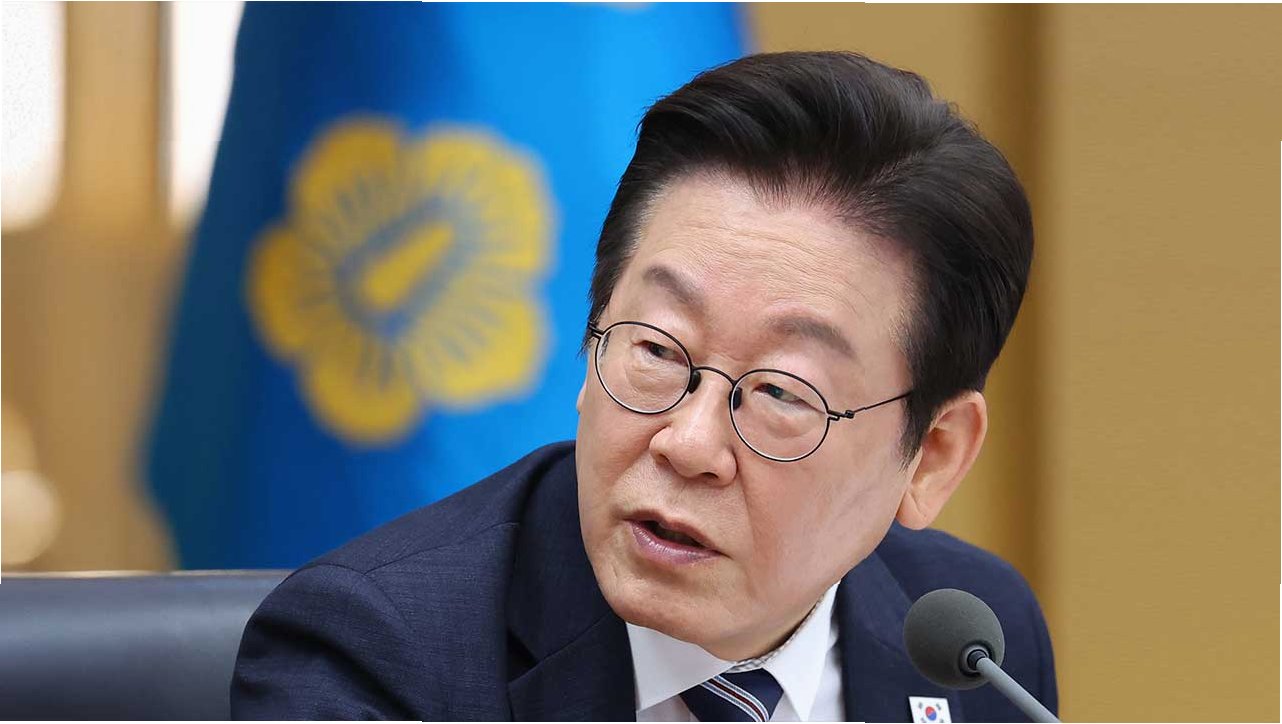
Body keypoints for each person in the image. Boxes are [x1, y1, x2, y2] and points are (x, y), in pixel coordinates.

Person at [231, 51, 1058, 722]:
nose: (688, 444)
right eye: (658, 350)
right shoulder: (374, 658)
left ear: (932, 456)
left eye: (781, 394)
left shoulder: (978, 646)